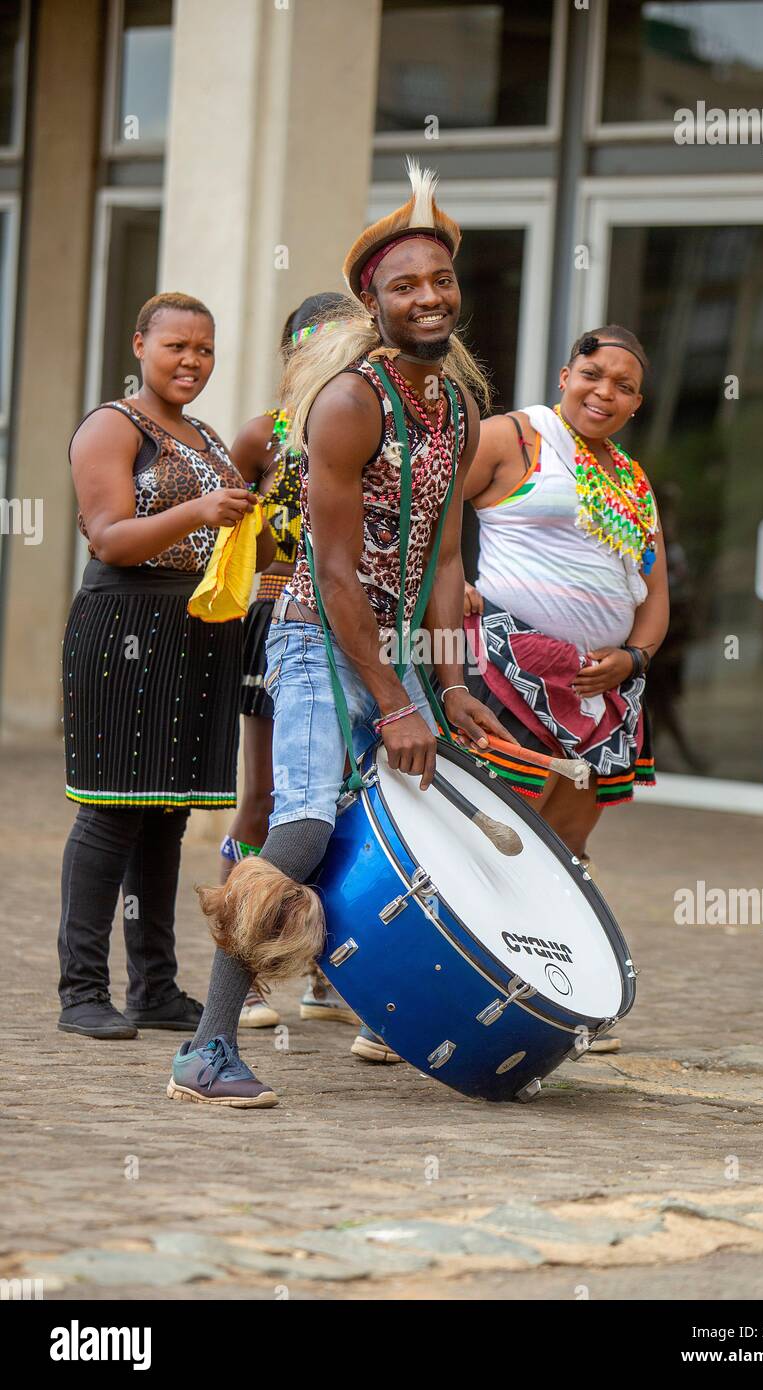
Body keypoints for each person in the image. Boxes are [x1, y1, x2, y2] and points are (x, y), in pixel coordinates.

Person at [166, 162, 508, 1106]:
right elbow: (332, 569)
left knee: (398, 821)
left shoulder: (463, 409)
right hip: (316, 631)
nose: (428, 297)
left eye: (440, 280)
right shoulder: (349, 403)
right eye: (406, 285)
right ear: (373, 300)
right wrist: (397, 701)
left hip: (392, 645)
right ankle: (205, 1049)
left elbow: (442, 560)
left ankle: (399, 1018)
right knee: (307, 818)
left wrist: (449, 682)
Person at [59, 291, 273, 1040]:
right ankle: (81, 990)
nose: (192, 361)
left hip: (197, 629)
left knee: (165, 817)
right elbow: (110, 537)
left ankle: (154, 988)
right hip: (126, 621)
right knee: (112, 812)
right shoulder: (111, 426)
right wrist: (198, 512)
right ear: (139, 344)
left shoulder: (209, 436)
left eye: (205, 350)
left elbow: (235, 536)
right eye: (176, 346)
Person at [462, 327, 669, 1048]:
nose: (603, 392)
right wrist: (447, 594)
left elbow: (654, 594)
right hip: (509, 666)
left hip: (605, 692)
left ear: (637, 404)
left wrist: (635, 659)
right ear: (564, 374)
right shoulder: (512, 437)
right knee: (498, 832)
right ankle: (448, 995)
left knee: (570, 840)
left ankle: (555, 997)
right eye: (592, 374)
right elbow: (425, 523)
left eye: (622, 385)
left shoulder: (633, 480)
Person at [218, 291, 357, 1031]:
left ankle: (332, 974)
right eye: (308, 345)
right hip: (278, 616)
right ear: (288, 355)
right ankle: (241, 968)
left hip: (356, 622)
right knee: (266, 794)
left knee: (346, 799)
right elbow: (230, 539)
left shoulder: (365, 424)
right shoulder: (262, 437)